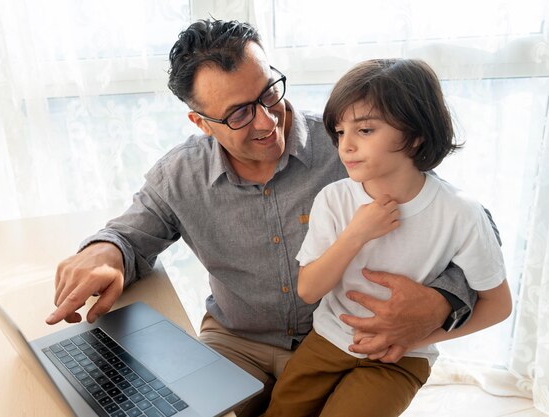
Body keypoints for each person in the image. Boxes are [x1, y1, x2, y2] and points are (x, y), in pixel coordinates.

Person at [46, 20, 492, 416]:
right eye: (238, 113)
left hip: (344, 336)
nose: (265, 121)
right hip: (238, 343)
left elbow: (453, 220)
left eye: (269, 93)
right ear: (201, 122)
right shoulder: (180, 174)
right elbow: (129, 234)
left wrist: (443, 302)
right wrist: (103, 252)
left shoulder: (350, 144)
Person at [264, 59, 512, 417]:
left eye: (364, 130)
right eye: (339, 131)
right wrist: (356, 234)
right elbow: (308, 290)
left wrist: (416, 337)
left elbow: (498, 305)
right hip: (328, 340)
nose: (345, 146)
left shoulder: (461, 213)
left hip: (402, 358)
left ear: (415, 134)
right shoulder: (334, 199)